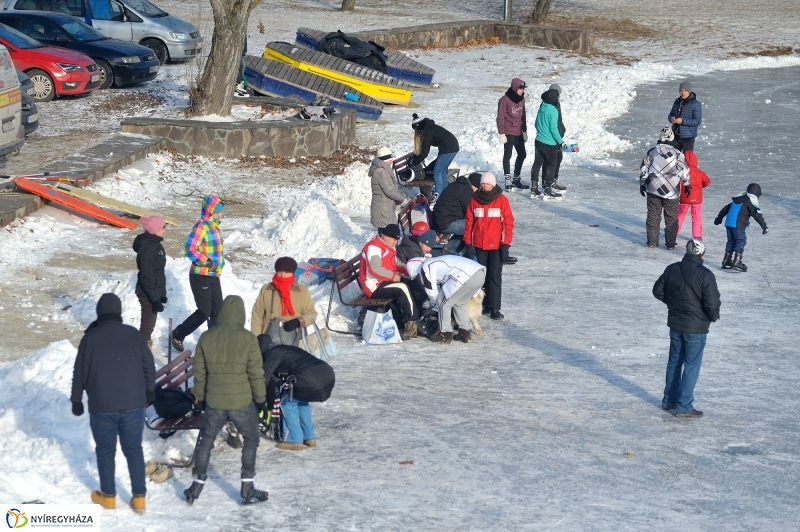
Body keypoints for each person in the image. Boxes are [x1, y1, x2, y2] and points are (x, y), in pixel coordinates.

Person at [71, 293, 155, 513]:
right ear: (119, 311)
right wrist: (150, 391)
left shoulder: (90, 337)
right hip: (133, 404)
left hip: (102, 406)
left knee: (105, 451)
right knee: (134, 450)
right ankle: (139, 498)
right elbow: (148, 365)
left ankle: (108, 497)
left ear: (99, 312)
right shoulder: (133, 334)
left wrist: (76, 400)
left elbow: (79, 372)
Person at [184, 295, 268, 506]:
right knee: (251, 439)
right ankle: (247, 486)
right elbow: (255, 373)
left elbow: (199, 372)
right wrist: (261, 401)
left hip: (215, 402)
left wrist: (200, 397)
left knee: (205, 442)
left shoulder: (206, 337)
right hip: (241, 402)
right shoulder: (248, 338)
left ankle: (196, 485)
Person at [652, 239, 720, 418]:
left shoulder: (672, 269)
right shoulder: (705, 275)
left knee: (674, 362)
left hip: (676, 324)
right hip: (696, 328)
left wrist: (675, 305)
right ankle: (684, 406)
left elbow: (657, 291)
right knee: (691, 365)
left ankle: (669, 401)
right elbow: (712, 304)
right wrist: (712, 317)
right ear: (701, 254)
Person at [258, 338, 335, 450]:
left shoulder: (272, 353)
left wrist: (258, 396)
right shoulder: (286, 348)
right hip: (326, 374)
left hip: (308, 378)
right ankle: (309, 437)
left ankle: (294, 440)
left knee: (286, 403)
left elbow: (264, 378)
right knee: (302, 402)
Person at [171, 195, 225, 351]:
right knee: (204, 311)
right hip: (200, 274)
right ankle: (178, 334)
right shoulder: (201, 227)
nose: (220, 214)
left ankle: (213, 343)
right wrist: (206, 262)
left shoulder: (215, 227)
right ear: (210, 211)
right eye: (217, 212)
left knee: (218, 310)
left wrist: (217, 265)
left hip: (213, 275)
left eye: (220, 211)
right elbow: (189, 248)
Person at [463, 172, 514, 320]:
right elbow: (469, 223)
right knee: (481, 277)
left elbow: (508, 224)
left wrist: (505, 245)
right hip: (479, 245)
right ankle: (483, 304)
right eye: (483, 183)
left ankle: (495, 308)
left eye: (488, 183)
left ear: (493, 185)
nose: (485, 186)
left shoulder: (502, 200)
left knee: (495, 276)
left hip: (496, 246)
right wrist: (468, 243)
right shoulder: (474, 200)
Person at [405, 255, 486, 344]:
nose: (418, 278)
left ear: (414, 269)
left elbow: (431, 291)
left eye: (416, 275)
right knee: (459, 302)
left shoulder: (426, 266)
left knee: (443, 303)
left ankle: (445, 333)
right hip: (480, 274)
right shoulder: (436, 262)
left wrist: (435, 305)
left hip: (464, 276)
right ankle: (465, 332)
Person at [358, 224, 419, 340]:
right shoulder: (374, 247)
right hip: (373, 286)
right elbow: (375, 269)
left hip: (383, 281)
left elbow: (394, 264)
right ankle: (411, 322)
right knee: (402, 288)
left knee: (411, 282)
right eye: (394, 239)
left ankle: (411, 316)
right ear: (385, 236)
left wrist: (408, 272)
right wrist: (392, 276)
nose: (396, 242)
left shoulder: (388, 246)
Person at [640, 127, 690, 249]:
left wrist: (642, 184)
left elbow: (644, 170)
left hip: (653, 189)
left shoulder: (652, 152)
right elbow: (683, 172)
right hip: (672, 191)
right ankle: (670, 244)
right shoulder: (678, 154)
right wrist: (687, 185)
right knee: (671, 218)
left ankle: (652, 242)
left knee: (653, 217)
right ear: (672, 138)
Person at [251, 256, 317, 344]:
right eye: (279, 271)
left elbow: (312, 314)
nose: (282, 275)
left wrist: (298, 321)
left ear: (292, 272)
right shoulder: (267, 289)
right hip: (268, 341)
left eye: (286, 272)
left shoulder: (302, 291)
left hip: (293, 342)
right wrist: (257, 339)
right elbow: (257, 314)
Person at [713, 183, 768, 272]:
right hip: (738, 224)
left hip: (729, 223)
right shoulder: (750, 201)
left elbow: (725, 209)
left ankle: (726, 260)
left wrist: (718, 219)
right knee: (741, 241)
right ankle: (737, 261)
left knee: (731, 241)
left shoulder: (737, 199)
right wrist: (764, 225)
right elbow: (756, 214)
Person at [134, 216, 167, 349]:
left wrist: (161, 294)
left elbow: (158, 273)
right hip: (146, 293)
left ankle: (142, 350)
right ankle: (141, 352)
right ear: (156, 230)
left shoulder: (156, 244)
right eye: (163, 227)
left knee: (149, 326)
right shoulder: (149, 248)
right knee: (147, 328)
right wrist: (155, 299)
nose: (165, 230)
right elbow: (146, 276)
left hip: (152, 291)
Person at [410, 113, 460, 196]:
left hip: (448, 148)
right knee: (442, 171)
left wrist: (414, 162)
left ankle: (439, 195)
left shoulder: (426, 133)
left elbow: (425, 153)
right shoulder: (429, 127)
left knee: (437, 172)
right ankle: (445, 193)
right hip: (453, 146)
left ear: (418, 127)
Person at [531, 83, 567, 196]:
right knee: (552, 164)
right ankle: (547, 188)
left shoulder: (542, 107)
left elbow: (536, 123)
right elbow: (554, 129)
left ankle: (534, 187)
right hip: (550, 143)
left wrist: (541, 132)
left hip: (538, 141)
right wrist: (561, 142)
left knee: (537, 163)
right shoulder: (553, 110)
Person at [431, 171, 480, 254]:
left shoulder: (459, 185)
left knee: (470, 224)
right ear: (475, 186)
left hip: (441, 219)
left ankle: (450, 249)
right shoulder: (466, 191)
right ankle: (450, 250)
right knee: (475, 226)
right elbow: (471, 211)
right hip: (444, 223)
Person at [496, 78, 529, 191]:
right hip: (508, 131)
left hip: (518, 132)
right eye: (520, 88)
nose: (522, 90)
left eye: (523, 88)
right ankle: (508, 180)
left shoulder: (522, 99)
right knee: (508, 155)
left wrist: (524, 130)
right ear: (515, 88)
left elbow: (523, 116)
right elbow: (500, 117)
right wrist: (502, 133)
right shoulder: (504, 100)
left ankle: (516, 179)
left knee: (522, 154)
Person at [676, 150, 711, 241]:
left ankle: (674, 232)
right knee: (696, 217)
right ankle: (697, 236)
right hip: (696, 199)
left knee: (680, 215)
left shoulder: (682, 172)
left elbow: (677, 183)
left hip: (684, 198)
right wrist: (700, 187)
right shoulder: (699, 172)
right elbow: (707, 181)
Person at [369, 146, 405, 229]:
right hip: (383, 209)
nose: (392, 161)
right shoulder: (382, 172)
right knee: (387, 232)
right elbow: (389, 191)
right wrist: (401, 199)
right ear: (384, 161)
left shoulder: (382, 170)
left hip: (384, 207)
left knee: (387, 231)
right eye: (390, 159)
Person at [668, 81, 702, 152]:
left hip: (688, 137)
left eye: (685, 90)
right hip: (675, 136)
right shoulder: (677, 102)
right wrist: (671, 119)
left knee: (687, 157)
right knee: (673, 156)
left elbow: (697, 121)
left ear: (689, 91)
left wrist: (682, 121)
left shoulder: (696, 104)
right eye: (681, 90)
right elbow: (670, 115)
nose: (683, 93)